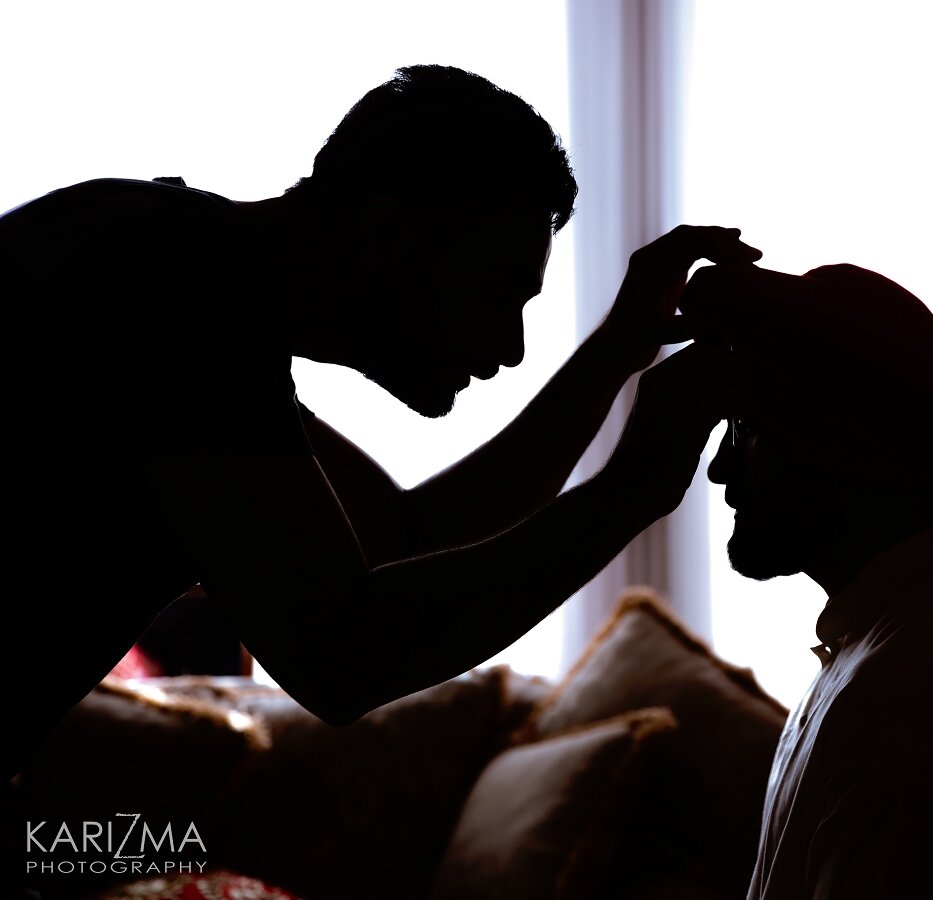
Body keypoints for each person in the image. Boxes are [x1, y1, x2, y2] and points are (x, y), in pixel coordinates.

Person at [0, 64, 759, 782]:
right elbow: (343, 654)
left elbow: (396, 537)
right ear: (391, 236)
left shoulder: (186, 274)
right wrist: (631, 490)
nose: (510, 349)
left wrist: (614, 355)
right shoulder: (176, 296)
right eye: (494, 295)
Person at [680, 263, 933, 898]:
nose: (721, 468)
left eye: (748, 430)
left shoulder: (922, 692)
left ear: (840, 447)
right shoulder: (895, 645)